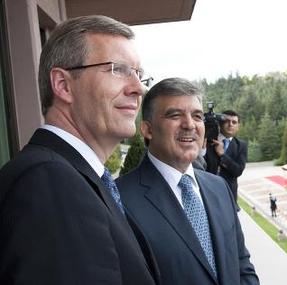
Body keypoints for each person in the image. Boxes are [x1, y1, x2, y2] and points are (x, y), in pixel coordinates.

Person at [0, 15, 158, 284]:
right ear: (63, 85)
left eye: (139, 74)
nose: (138, 88)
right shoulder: (49, 181)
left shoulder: (74, 177)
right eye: (118, 69)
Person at [116, 78, 259, 285]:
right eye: (175, 115)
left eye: (197, 116)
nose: (190, 124)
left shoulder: (219, 187)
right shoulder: (119, 200)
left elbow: (242, 265)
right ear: (147, 130)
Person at [204, 109, 248, 205]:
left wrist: (222, 155)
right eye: (227, 121)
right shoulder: (207, 141)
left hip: (229, 196)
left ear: (238, 126)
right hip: (207, 193)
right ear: (220, 123)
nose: (230, 124)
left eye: (234, 122)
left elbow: (238, 171)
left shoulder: (241, 145)